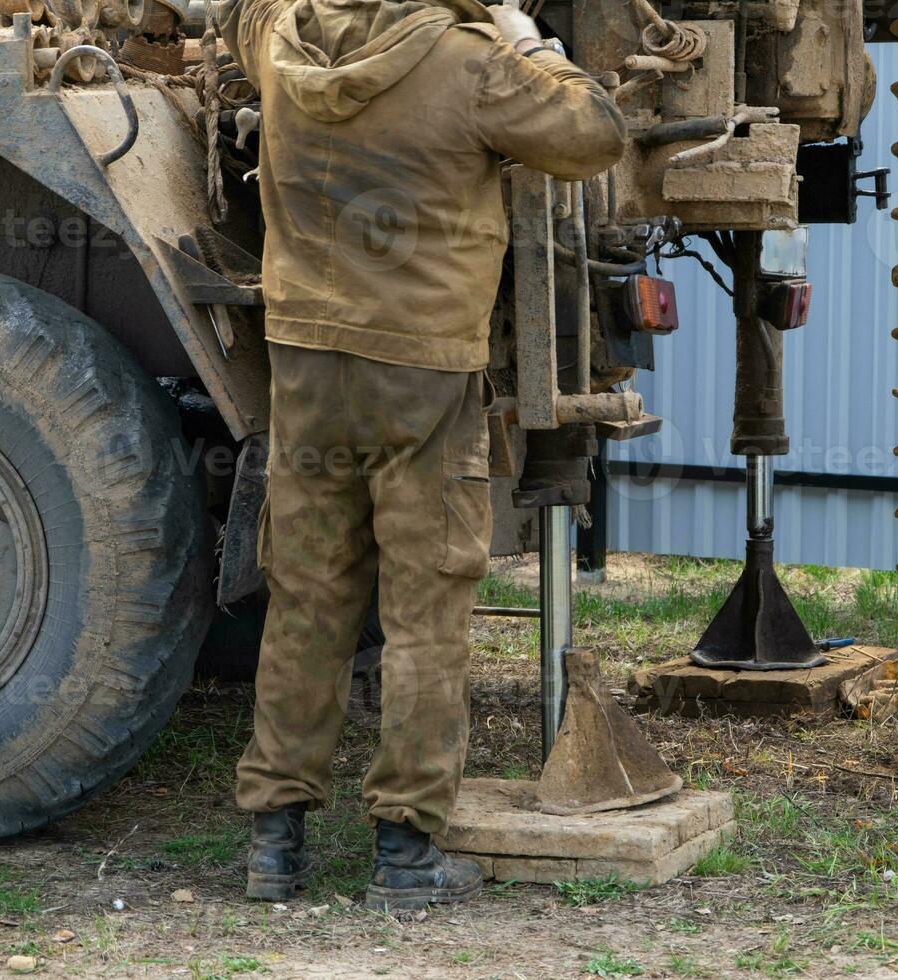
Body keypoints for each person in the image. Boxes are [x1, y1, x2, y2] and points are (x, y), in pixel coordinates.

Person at [218, 0, 626, 909]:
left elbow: (242, 17)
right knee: (423, 612)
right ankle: (404, 855)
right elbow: (596, 132)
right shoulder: (470, 61)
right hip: (423, 373)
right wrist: (527, 40)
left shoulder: (280, 41)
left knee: (306, 600)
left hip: (309, 364)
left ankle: (273, 846)